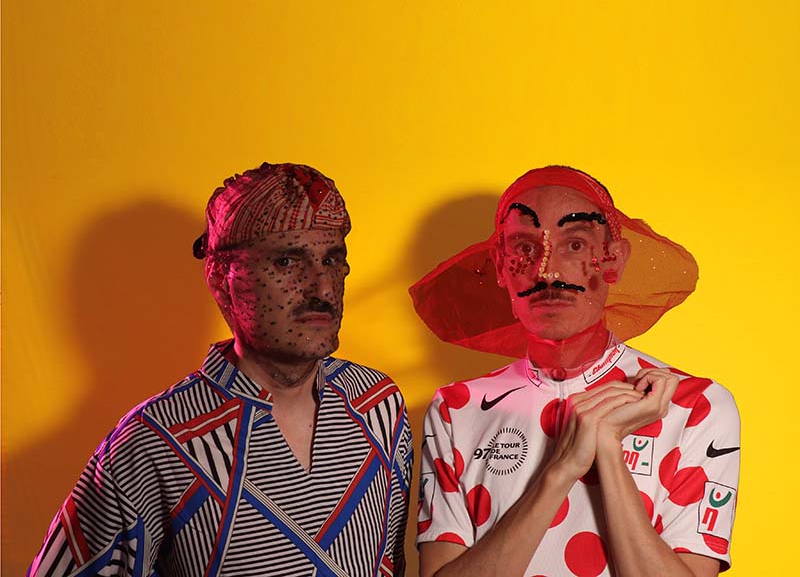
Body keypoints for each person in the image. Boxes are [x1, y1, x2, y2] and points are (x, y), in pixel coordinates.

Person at [29, 162, 413, 577]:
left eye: (332, 259)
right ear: (221, 279)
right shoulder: (154, 441)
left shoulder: (378, 404)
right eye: (287, 261)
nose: (322, 287)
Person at [411, 166, 739, 577]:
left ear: (614, 260)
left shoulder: (694, 406)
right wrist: (562, 469)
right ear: (500, 265)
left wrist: (608, 450)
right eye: (525, 248)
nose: (548, 272)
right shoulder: (456, 410)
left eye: (575, 244)